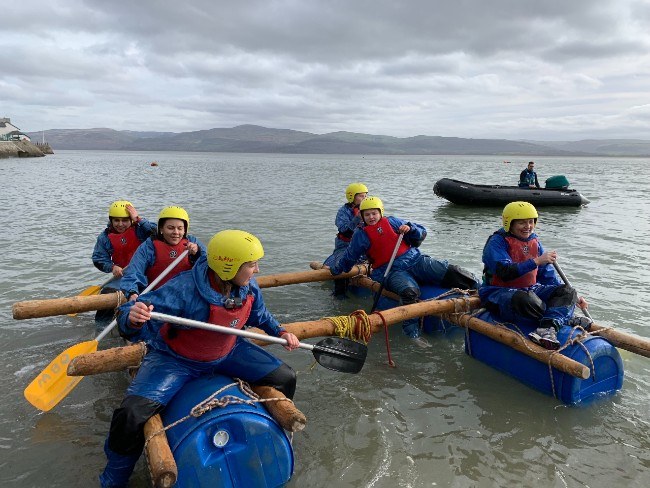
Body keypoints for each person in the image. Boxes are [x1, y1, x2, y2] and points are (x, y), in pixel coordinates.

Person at [100, 230, 300, 487]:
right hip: (177, 360)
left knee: (286, 377)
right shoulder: (183, 288)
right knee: (130, 416)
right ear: (228, 267)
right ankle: (113, 478)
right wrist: (132, 316)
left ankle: (272, 437)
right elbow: (131, 316)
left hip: (228, 351)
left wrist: (281, 331)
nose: (257, 270)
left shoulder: (247, 287)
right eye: (251, 265)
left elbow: (260, 315)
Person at [327, 196, 479, 347]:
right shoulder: (361, 235)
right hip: (391, 271)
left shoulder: (393, 221)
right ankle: (411, 332)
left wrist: (411, 229)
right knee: (409, 292)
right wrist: (336, 269)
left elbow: (421, 232)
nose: (371, 217)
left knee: (453, 271)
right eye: (367, 214)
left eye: (374, 213)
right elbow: (349, 257)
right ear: (362, 216)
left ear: (381, 212)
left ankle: (480, 290)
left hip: (416, 260)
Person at [480, 201, 590, 350]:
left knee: (567, 291)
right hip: (498, 293)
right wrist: (537, 261)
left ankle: (547, 327)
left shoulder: (534, 242)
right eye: (522, 223)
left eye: (531, 222)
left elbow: (548, 277)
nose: (528, 226)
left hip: (530, 289)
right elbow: (505, 272)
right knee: (526, 300)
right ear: (509, 223)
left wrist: (573, 299)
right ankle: (566, 319)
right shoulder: (497, 242)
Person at [120, 206, 206, 302]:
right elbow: (133, 272)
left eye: (180, 228)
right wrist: (132, 293)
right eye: (170, 228)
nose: (176, 232)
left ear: (185, 229)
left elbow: (209, 268)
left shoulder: (193, 243)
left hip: (187, 298)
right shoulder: (149, 247)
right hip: (156, 298)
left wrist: (198, 253)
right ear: (161, 228)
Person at [92, 200, 157, 281]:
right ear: (111, 221)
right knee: (106, 291)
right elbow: (98, 258)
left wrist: (138, 219)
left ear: (131, 220)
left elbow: (160, 233)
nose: (120, 224)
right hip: (124, 275)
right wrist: (112, 267)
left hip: (147, 272)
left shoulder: (141, 229)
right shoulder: (104, 237)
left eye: (125, 220)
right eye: (116, 220)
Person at [323, 182, 368, 297]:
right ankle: (339, 295)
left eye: (366, 196)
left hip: (364, 246)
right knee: (341, 265)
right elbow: (345, 231)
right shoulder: (343, 211)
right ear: (352, 197)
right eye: (361, 196)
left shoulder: (368, 209)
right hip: (345, 246)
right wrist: (357, 218)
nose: (364, 198)